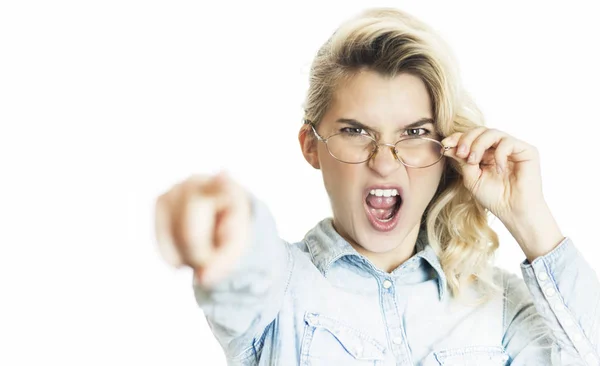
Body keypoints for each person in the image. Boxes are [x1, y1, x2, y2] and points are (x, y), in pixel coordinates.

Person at [154, 7, 600, 365]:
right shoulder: (281, 292)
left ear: (444, 150)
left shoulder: (500, 308)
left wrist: (531, 219)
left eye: (412, 134)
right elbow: (247, 268)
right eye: (356, 131)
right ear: (311, 146)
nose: (384, 162)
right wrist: (224, 225)